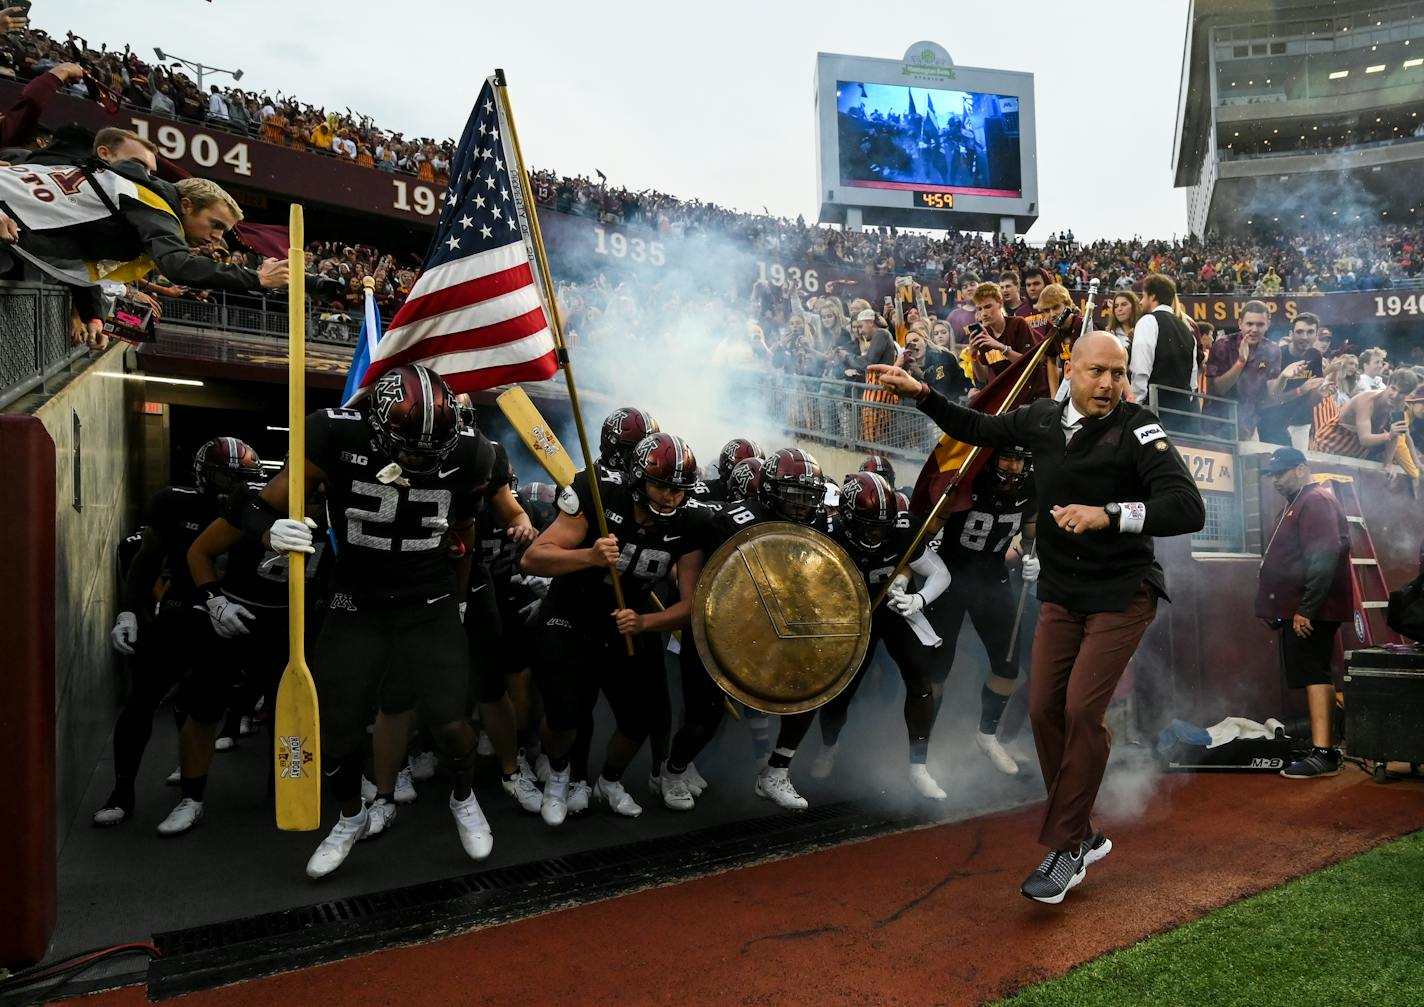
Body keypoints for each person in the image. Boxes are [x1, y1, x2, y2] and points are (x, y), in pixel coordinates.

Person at [870, 332, 1205, 905]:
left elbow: (1187, 506)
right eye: (1097, 371)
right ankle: (1080, 835)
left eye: (1118, 373)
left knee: (1079, 709)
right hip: (1061, 592)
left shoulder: (1140, 427)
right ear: (1069, 371)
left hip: (1123, 593)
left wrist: (1109, 514)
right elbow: (977, 428)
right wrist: (922, 393)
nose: (1108, 384)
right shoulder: (1041, 418)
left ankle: (1065, 848)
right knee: (1043, 706)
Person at [250, 364, 499, 878]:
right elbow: (256, 504)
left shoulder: (474, 452)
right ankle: (350, 815)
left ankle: (462, 796)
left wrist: (457, 601)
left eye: (431, 451)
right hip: (355, 599)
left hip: (427, 600)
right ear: (377, 425)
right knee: (338, 733)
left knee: (452, 724)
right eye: (407, 448)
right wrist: (270, 530)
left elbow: (466, 529)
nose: (418, 460)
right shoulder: (335, 431)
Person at [520, 432, 708, 826]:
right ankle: (559, 776)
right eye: (660, 485)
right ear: (638, 479)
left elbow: (693, 605)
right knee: (564, 713)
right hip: (570, 613)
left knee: (639, 718)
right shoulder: (601, 494)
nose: (670, 497)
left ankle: (609, 780)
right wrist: (588, 555)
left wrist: (646, 622)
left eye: (678, 490)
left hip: (627, 621)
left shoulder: (692, 522)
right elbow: (533, 558)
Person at [94, 437, 264, 828]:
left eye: (240, 479)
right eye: (224, 478)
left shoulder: (259, 508)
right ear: (204, 476)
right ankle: (121, 792)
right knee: (141, 701)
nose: (230, 488)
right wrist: (127, 612)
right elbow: (145, 560)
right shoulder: (176, 504)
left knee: (205, 703)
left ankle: (191, 795)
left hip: (229, 618)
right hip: (181, 609)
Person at [662, 448, 831, 812]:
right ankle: (672, 770)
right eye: (794, 496)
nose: (803, 506)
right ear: (769, 490)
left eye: (809, 497)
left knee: (812, 689)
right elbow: (694, 564)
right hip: (723, 629)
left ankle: (775, 772)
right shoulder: (730, 520)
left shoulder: (817, 524)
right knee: (703, 720)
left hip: (776, 631)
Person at [809, 473, 952, 799]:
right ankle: (828, 745)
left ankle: (919, 766)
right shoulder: (828, 533)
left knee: (920, 678)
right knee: (841, 688)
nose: (877, 533)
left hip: (893, 609)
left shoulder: (901, 527)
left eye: (883, 525)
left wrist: (917, 598)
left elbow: (940, 572)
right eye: (869, 525)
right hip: (852, 617)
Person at [925, 447, 1038, 775]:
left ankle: (986, 735)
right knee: (937, 669)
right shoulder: (967, 481)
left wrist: (1032, 557)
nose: (1014, 465)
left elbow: (1030, 536)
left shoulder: (1031, 488)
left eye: (1020, 459)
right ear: (991, 458)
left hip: (993, 578)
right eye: (1007, 457)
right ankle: (923, 743)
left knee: (1007, 665)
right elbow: (928, 533)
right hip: (951, 577)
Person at [1254, 447, 1352, 779]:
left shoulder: (1316, 500)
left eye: (1280, 473)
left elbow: (1323, 558)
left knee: (1314, 672)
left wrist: (1305, 609)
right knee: (1311, 672)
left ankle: (1324, 753)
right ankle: (1322, 747)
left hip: (1313, 611)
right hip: (1301, 609)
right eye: (1271, 475)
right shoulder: (1297, 503)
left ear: (1300, 469)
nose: (1275, 481)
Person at [1206, 301, 1282, 440]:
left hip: (1249, 426)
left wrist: (1283, 379)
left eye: (1260, 324)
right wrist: (1240, 362)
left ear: (1268, 325)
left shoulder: (1272, 349)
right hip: (1216, 426)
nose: (1254, 329)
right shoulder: (1223, 345)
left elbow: (1270, 395)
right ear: (1240, 323)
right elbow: (1217, 389)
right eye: (1249, 324)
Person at [1312, 369, 1420, 462]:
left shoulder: (1399, 405)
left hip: (1356, 451)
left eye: (1401, 393)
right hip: (1331, 442)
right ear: (1387, 385)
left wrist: (1388, 464)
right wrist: (1389, 435)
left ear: (1407, 395)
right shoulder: (1366, 401)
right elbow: (1365, 439)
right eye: (1393, 388)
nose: (1395, 395)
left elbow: (1395, 435)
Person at [964, 281, 1046, 399]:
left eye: (988, 306)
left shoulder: (1018, 324)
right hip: (1006, 397)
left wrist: (1001, 347)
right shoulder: (983, 334)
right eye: (979, 309)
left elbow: (1030, 364)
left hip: (1031, 395)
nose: (984, 313)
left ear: (1000, 303)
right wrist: (973, 357)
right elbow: (983, 377)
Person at [1257, 313, 1327, 450]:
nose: (1305, 337)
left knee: (1298, 466)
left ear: (1316, 335)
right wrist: (1299, 391)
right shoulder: (1275, 355)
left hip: (1300, 422)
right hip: (1271, 422)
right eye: (1299, 332)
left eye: (1310, 332)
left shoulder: (1315, 356)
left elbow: (1310, 398)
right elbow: (1267, 401)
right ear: (1291, 334)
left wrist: (1319, 395)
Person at [1128, 274, 1198, 404]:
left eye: (1143, 296)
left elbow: (1141, 369)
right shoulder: (1187, 329)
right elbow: (1193, 380)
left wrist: (1136, 404)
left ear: (1153, 296)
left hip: (1156, 409)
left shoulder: (1148, 321)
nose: (1141, 301)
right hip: (1183, 411)